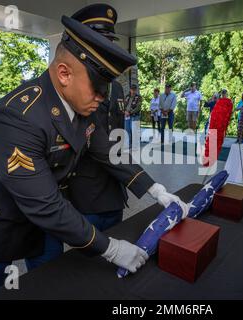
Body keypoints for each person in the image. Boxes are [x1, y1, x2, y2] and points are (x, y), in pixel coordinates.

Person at [0, 4, 177, 300]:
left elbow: (108, 151)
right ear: (63, 73)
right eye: (97, 88)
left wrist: (157, 189)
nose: (102, 98)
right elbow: (44, 204)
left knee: (50, 284)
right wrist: (111, 249)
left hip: (43, 224)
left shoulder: (83, 105)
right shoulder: (17, 115)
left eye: (105, 88)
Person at [67, 6, 187, 232]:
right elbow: (99, 145)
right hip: (88, 191)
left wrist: (153, 188)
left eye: (108, 42)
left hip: (116, 186)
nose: (106, 49)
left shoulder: (115, 89)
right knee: (90, 260)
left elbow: (117, 140)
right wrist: (153, 188)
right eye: (98, 42)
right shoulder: (76, 89)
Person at [203, 89, 233, 166]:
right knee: (215, 142)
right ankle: (210, 159)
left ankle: (209, 160)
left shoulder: (222, 102)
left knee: (212, 141)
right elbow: (228, 115)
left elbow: (228, 114)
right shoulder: (221, 101)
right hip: (218, 125)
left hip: (217, 124)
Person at [124, 84, 142, 148]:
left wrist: (130, 112)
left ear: (136, 90)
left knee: (134, 131)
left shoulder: (139, 97)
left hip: (135, 116)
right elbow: (123, 105)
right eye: (132, 89)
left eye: (134, 89)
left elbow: (138, 108)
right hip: (126, 116)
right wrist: (125, 111)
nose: (133, 91)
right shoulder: (127, 96)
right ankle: (128, 144)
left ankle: (135, 145)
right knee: (127, 130)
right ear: (130, 89)